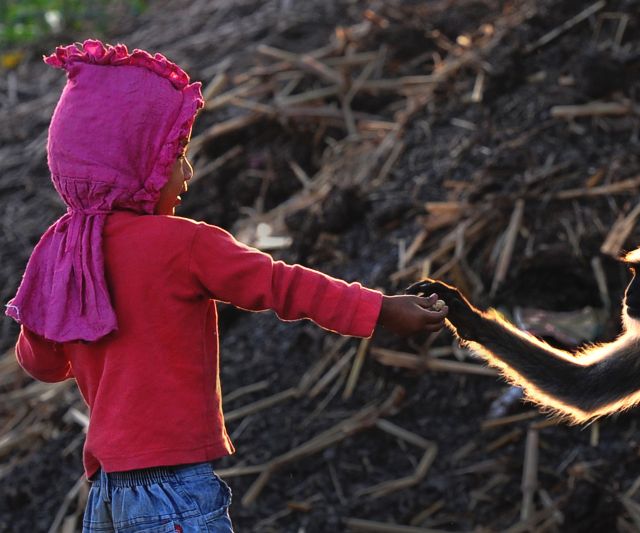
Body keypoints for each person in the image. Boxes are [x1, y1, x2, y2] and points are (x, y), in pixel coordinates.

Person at [6, 40, 447, 532]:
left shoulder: (61, 253)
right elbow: (282, 286)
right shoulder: (183, 244)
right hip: (173, 490)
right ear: (134, 162)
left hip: (107, 493)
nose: (187, 174)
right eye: (176, 155)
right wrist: (382, 309)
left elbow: (40, 362)